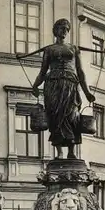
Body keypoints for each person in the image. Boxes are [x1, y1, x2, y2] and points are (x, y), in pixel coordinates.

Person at [32, 18, 95, 159]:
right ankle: (60, 152)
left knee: (72, 116)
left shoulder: (73, 49)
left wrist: (87, 92)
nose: (65, 31)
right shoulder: (49, 50)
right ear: (55, 31)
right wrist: (35, 85)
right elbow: (43, 71)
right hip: (53, 86)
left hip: (70, 85)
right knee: (55, 116)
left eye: (67, 29)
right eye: (62, 28)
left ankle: (71, 151)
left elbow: (80, 72)